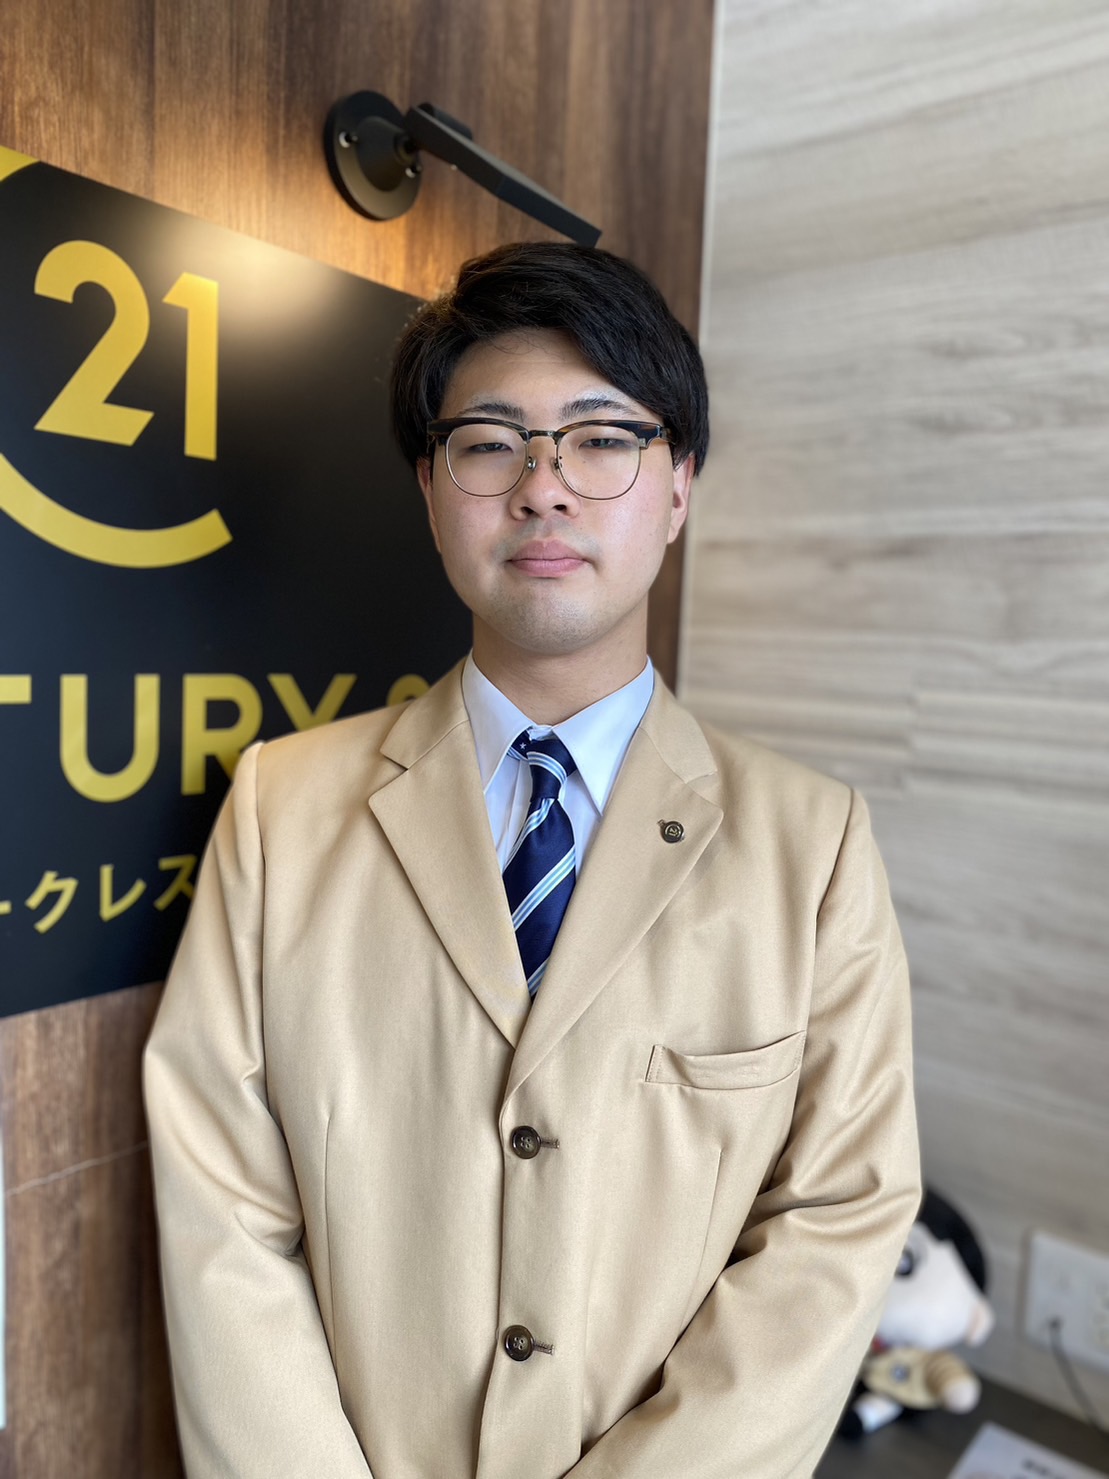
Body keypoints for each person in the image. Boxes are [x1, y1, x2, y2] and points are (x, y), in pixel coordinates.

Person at [144, 241, 920, 1478]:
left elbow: (835, 1216)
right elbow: (221, 1214)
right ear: (429, 486)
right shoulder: (281, 809)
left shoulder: (810, 846)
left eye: (602, 439)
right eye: (490, 442)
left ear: (677, 489)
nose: (542, 489)